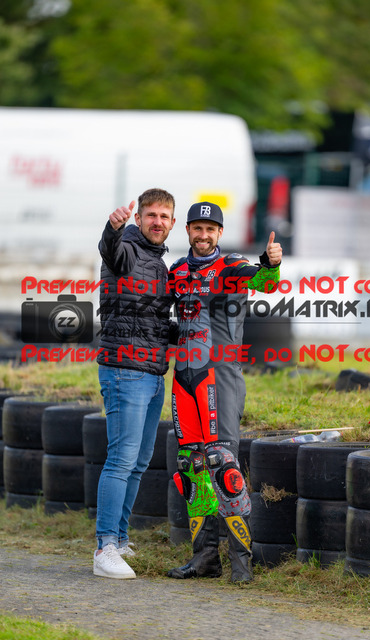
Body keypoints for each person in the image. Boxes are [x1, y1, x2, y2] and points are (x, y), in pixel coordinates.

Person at [167, 201, 282, 583]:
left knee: (223, 464)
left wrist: (271, 264)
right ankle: (205, 559)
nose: (203, 235)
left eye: (210, 229)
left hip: (220, 377)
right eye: (197, 228)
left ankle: (241, 565)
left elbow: (264, 283)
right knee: (191, 467)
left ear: (219, 233)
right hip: (184, 378)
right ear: (188, 230)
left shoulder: (231, 267)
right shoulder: (176, 270)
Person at [94, 188, 175, 579]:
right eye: (151, 215)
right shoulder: (126, 248)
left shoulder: (158, 263)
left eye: (164, 216)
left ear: (172, 223)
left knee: (139, 463)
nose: (157, 222)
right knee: (121, 460)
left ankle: (121, 539)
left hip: (153, 373)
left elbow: (154, 322)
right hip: (125, 371)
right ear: (138, 219)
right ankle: (105, 547)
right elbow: (110, 250)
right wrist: (113, 228)